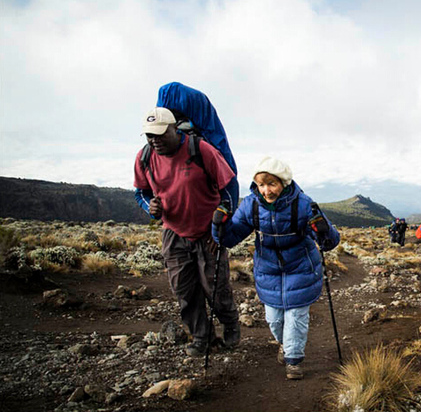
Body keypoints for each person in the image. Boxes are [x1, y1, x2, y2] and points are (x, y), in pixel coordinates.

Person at [214, 157, 340, 380]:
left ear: (284, 182)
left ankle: (294, 360)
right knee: (274, 319)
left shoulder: (303, 204)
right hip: (268, 269)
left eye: (271, 184)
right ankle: (284, 344)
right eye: (261, 184)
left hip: (301, 267)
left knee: (296, 317)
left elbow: (328, 243)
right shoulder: (251, 204)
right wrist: (219, 226)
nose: (266, 190)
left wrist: (324, 230)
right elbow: (230, 238)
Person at [134, 107, 240, 357]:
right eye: (150, 135)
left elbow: (229, 187)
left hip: (207, 232)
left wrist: (220, 225)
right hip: (174, 232)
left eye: (160, 134)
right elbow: (140, 192)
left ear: (174, 129)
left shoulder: (200, 150)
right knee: (184, 289)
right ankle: (202, 337)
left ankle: (230, 323)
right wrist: (149, 207)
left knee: (214, 287)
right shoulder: (145, 157)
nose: (155, 140)